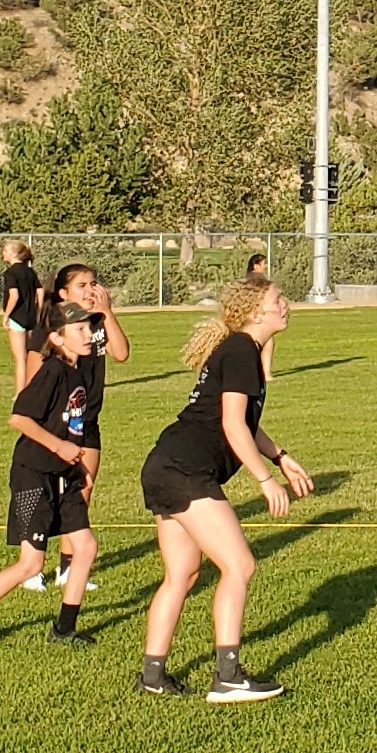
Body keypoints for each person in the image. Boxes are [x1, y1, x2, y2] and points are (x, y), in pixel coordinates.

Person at [135, 279, 312, 701]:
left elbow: (243, 421)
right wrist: (265, 480)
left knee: (182, 574)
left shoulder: (239, 350)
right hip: (184, 470)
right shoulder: (241, 351)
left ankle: (152, 676)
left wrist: (279, 455)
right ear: (255, 312)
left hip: (165, 465)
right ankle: (228, 677)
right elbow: (233, 425)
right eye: (277, 300)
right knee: (240, 566)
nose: (284, 305)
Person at [0, 301, 105, 653]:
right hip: (34, 476)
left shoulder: (78, 372)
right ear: (58, 338)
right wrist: (59, 447)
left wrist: (78, 464)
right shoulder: (52, 371)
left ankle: (64, 629)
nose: (89, 334)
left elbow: (72, 423)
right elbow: (20, 419)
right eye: (80, 329)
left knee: (86, 547)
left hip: (65, 476)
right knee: (31, 564)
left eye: (90, 327)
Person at [21, 264, 130, 594]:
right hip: (55, 426)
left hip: (88, 422)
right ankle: (30, 566)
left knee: (81, 493)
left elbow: (122, 353)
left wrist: (107, 312)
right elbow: (31, 383)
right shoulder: (51, 329)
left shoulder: (96, 325)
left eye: (93, 282)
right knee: (43, 496)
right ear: (63, 293)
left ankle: (68, 568)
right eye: (82, 284)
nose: (90, 289)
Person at [0, 240, 40, 391]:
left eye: (6, 251)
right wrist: (39, 311)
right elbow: (40, 293)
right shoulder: (30, 272)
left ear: (14, 254)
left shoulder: (11, 273)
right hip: (31, 317)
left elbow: (14, 296)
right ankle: (33, 387)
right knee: (31, 356)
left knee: (20, 358)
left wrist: (6, 315)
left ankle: (21, 392)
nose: (3, 253)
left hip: (17, 318)